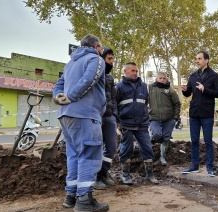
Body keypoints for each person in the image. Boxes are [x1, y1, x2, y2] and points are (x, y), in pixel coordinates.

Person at [52, 34, 109, 212]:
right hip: (85, 114)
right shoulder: (95, 59)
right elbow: (89, 80)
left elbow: (58, 84)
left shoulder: (70, 64)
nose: (102, 51)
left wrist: (59, 97)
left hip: (66, 116)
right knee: (89, 155)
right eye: (101, 48)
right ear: (96, 46)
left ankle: (71, 195)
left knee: (74, 155)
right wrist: (71, 97)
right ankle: (84, 199)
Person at [181, 51, 218, 177]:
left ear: (207, 60)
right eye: (196, 59)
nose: (197, 61)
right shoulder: (193, 76)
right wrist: (185, 90)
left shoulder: (214, 76)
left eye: (199, 58)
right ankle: (194, 166)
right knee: (194, 141)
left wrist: (205, 89)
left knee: (208, 141)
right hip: (194, 113)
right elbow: (188, 93)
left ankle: (210, 167)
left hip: (207, 113)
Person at [116, 62, 159, 185]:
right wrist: (117, 122)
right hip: (126, 123)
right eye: (132, 71)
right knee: (126, 149)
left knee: (147, 148)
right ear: (125, 72)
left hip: (142, 124)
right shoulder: (119, 87)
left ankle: (150, 175)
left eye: (136, 71)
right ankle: (125, 175)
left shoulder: (143, 86)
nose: (135, 73)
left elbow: (144, 103)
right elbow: (115, 106)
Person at [94, 47, 118, 190]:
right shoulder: (94, 75)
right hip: (96, 117)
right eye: (109, 59)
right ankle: (94, 177)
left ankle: (103, 173)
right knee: (95, 148)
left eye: (112, 59)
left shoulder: (109, 78)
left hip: (109, 117)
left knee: (111, 147)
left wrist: (114, 114)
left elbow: (113, 97)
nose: (112, 62)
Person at [148, 72, 181, 166]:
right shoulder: (150, 88)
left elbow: (177, 104)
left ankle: (162, 157)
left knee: (166, 138)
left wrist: (175, 118)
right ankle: (153, 138)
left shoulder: (170, 91)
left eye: (164, 78)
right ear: (156, 79)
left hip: (168, 119)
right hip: (154, 118)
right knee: (157, 134)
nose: (162, 80)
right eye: (160, 78)